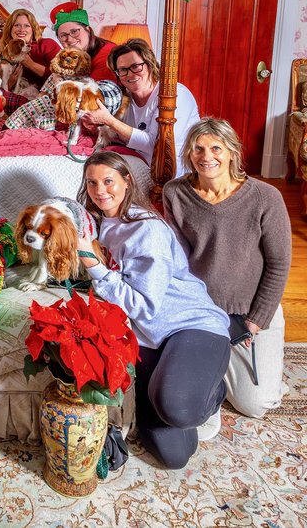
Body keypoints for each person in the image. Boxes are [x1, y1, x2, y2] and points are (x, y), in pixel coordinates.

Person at [75, 151, 230, 470]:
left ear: (127, 180)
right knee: (174, 456)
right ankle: (189, 386)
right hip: (149, 340)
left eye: (108, 181)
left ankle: (213, 392)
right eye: (92, 183)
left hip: (190, 325)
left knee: (177, 408)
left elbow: (144, 305)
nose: (100, 190)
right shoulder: (103, 225)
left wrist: (95, 267)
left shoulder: (146, 229)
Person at [163, 118, 291, 418]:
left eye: (216, 148)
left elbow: (279, 263)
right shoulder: (175, 193)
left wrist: (256, 321)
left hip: (250, 311)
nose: (207, 156)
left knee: (256, 405)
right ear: (189, 154)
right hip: (202, 309)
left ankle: (247, 366)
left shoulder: (265, 197)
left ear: (232, 152)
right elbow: (178, 262)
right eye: (198, 148)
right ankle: (219, 368)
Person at [79, 38, 200, 176]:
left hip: (174, 172)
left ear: (150, 64)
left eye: (136, 66)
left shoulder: (174, 95)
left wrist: (110, 121)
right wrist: (94, 126)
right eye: (123, 70)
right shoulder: (125, 98)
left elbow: (156, 145)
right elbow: (117, 135)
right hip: (136, 164)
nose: (130, 74)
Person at [47, 1, 117, 82]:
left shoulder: (107, 54)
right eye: (63, 35)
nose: (69, 39)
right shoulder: (68, 57)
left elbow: (94, 92)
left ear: (87, 29)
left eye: (74, 31)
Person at [0, 8, 61, 89]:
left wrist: (31, 65)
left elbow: (63, 76)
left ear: (33, 29)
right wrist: (9, 83)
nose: (21, 29)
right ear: (10, 29)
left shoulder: (46, 44)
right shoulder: (5, 52)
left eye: (26, 26)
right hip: (17, 97)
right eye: (16, 25)